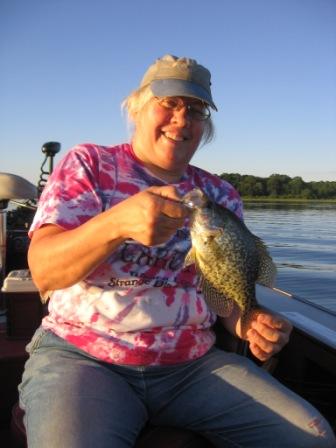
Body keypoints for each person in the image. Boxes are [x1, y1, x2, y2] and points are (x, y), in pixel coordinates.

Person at [19, 54, 335, 448]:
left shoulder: (220, 195)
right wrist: (117, 223)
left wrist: (248, 323)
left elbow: (224, 292)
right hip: (84, 357)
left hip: (192, 365)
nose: (182, 119)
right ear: (137, 107)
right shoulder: (90, 164)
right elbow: (44, 271)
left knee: (313, 439)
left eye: (196, 109)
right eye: (168, 103)